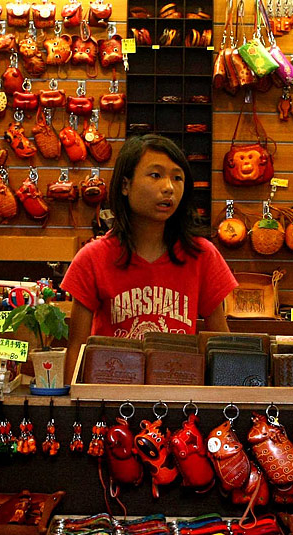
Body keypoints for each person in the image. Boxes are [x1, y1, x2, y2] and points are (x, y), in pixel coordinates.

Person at [61, 134, 238, 384]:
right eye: (155, 175)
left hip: (179, 396)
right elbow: (77, 348)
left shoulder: (202, 255)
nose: (169, 188)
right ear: (125, 185)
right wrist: (73, 403)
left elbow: (221, 344)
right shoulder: (92, 258)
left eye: (177, 178)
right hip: (110, 395)